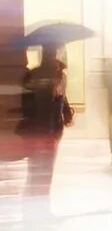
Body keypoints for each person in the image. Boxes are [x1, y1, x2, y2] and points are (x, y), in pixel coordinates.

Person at [13, 46, 73, 209]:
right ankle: (39, 208)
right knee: (44, 172)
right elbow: (54, 103)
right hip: (48, 130)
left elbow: (25, 102)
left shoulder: (30, 75)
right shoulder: (58, 77)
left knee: (35, 170)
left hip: (34, 130)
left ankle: (32, 207)